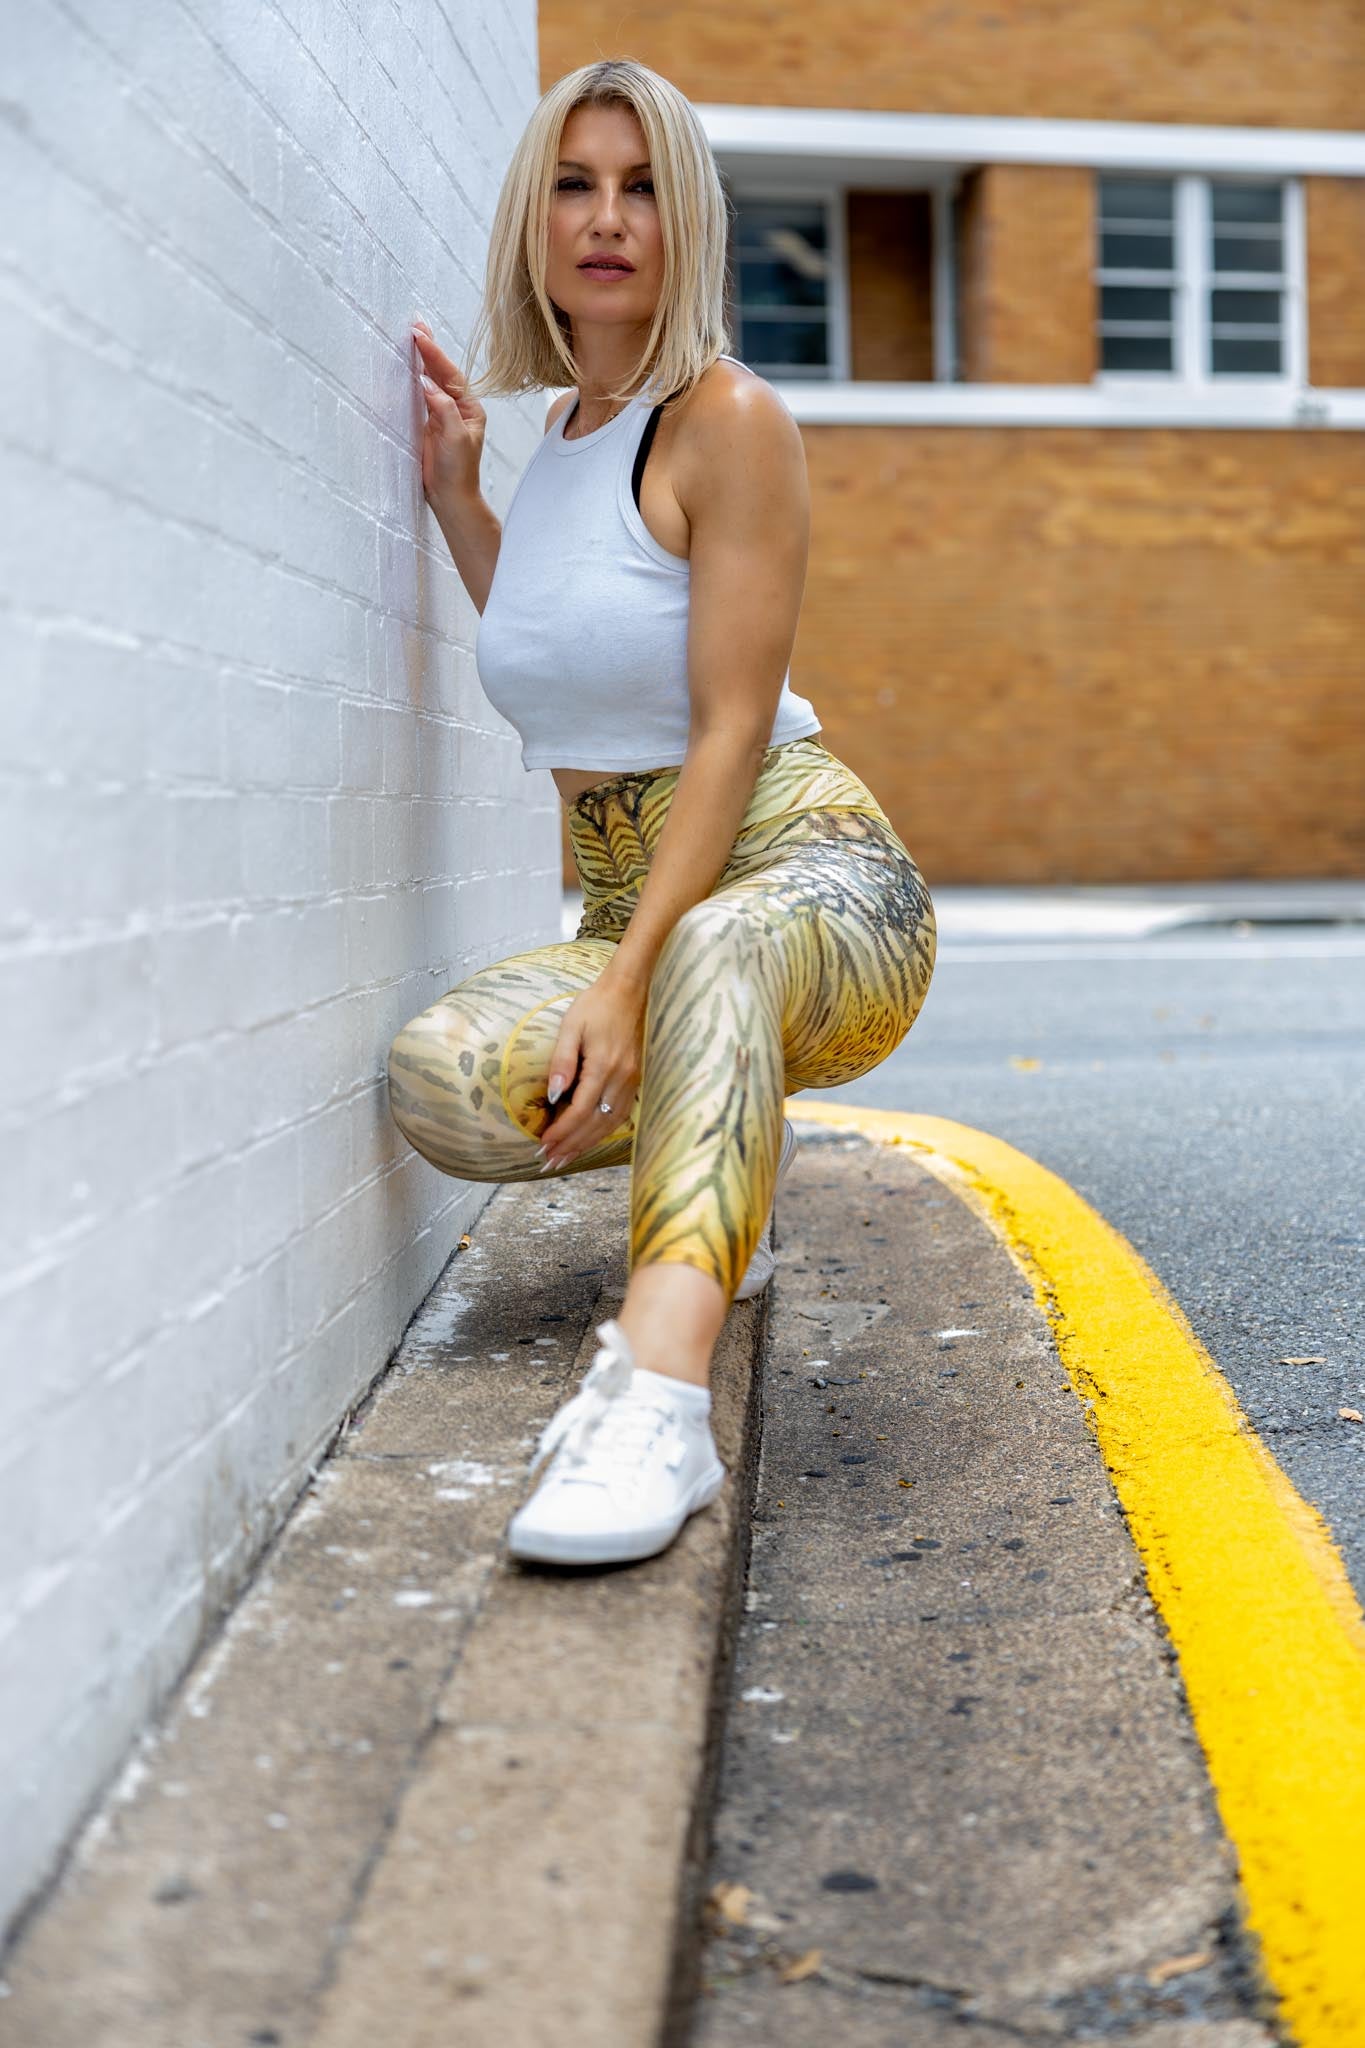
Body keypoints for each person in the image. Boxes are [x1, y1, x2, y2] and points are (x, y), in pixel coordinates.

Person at [387, 57, 936, 1570]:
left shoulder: (727, 421)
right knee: (440, 1081)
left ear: (685, 218)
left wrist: (626, 979)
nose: (606, 218)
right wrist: (457, 501)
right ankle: (719, 1174)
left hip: (810, 877)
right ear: (533, 220)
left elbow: (722, 724)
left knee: (703, 958)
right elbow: (579, 668)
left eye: (641, 187)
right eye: (575, 184)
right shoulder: (559, 436)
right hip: (653, 905)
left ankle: (658, 1396)